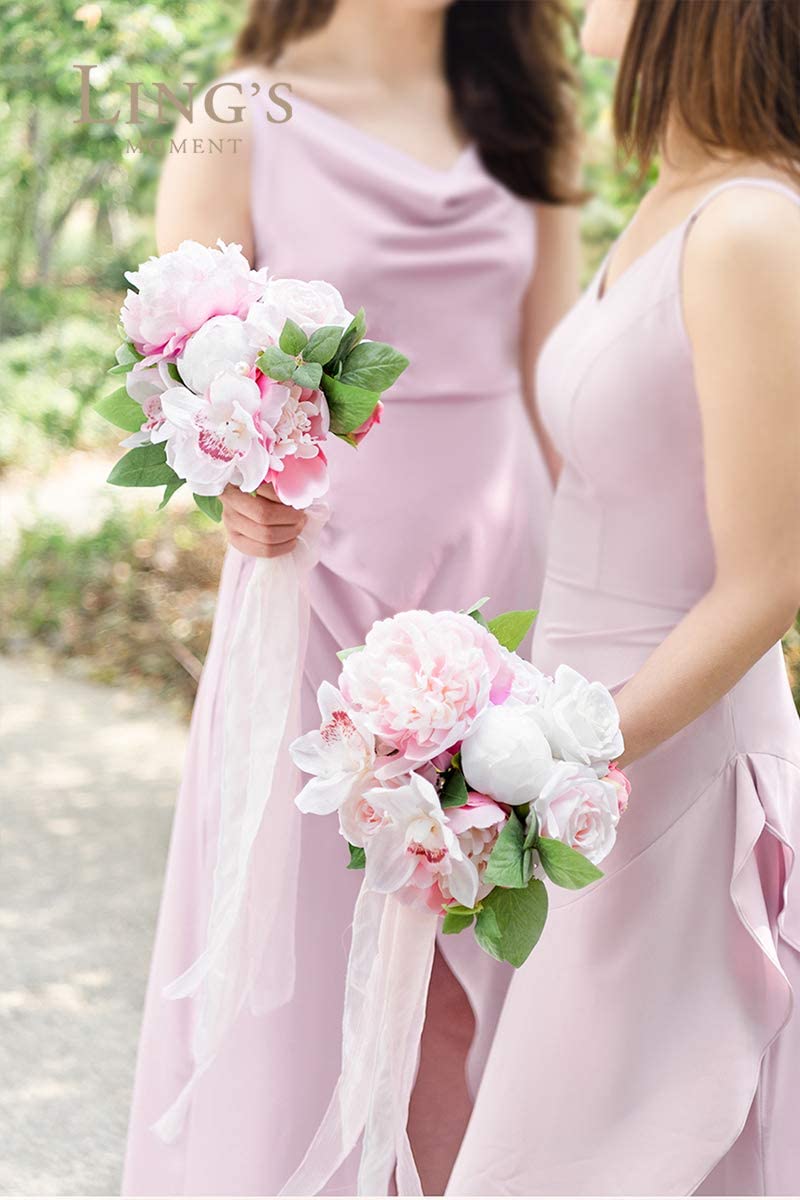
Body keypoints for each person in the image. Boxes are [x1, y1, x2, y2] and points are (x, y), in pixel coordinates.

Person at [122, 1, 581, 1194]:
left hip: (506, 586)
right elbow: (181, 392)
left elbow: (553, 377)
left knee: (486, 967)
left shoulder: (524, 107)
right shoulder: (239, 117)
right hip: (317, 591)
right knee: (315, 966)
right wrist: (231, 497)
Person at [446, 0, 800, 1194]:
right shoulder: (664, 198)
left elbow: (769, 578)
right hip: (583, 751)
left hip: (665, 764)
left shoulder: (750, 226)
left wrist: (566, 755)